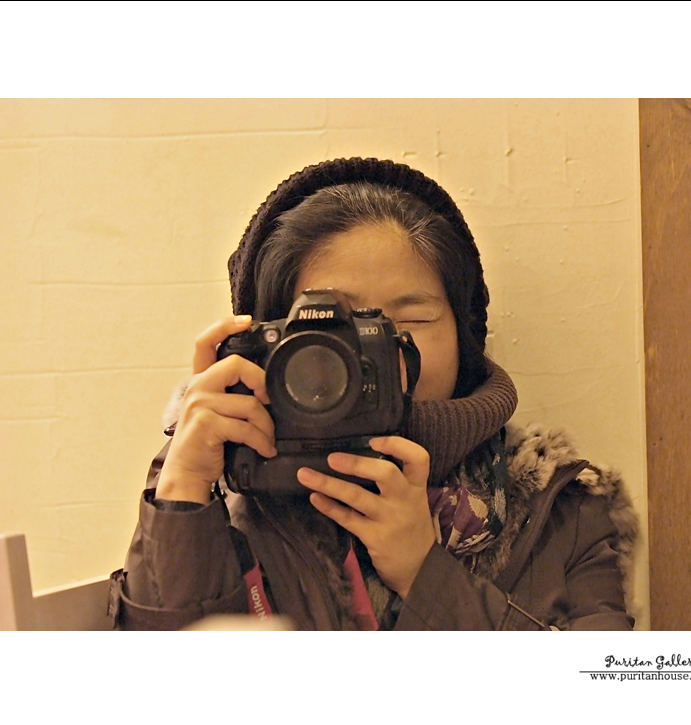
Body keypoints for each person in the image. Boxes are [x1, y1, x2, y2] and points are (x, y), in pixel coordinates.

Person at [109, 157, 637, 630]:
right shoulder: (224, 490)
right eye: (339, 331)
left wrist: (427, 575)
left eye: (412, 319)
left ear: (465, 336)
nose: (380, 352)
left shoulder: (561, 511)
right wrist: (182, 492)